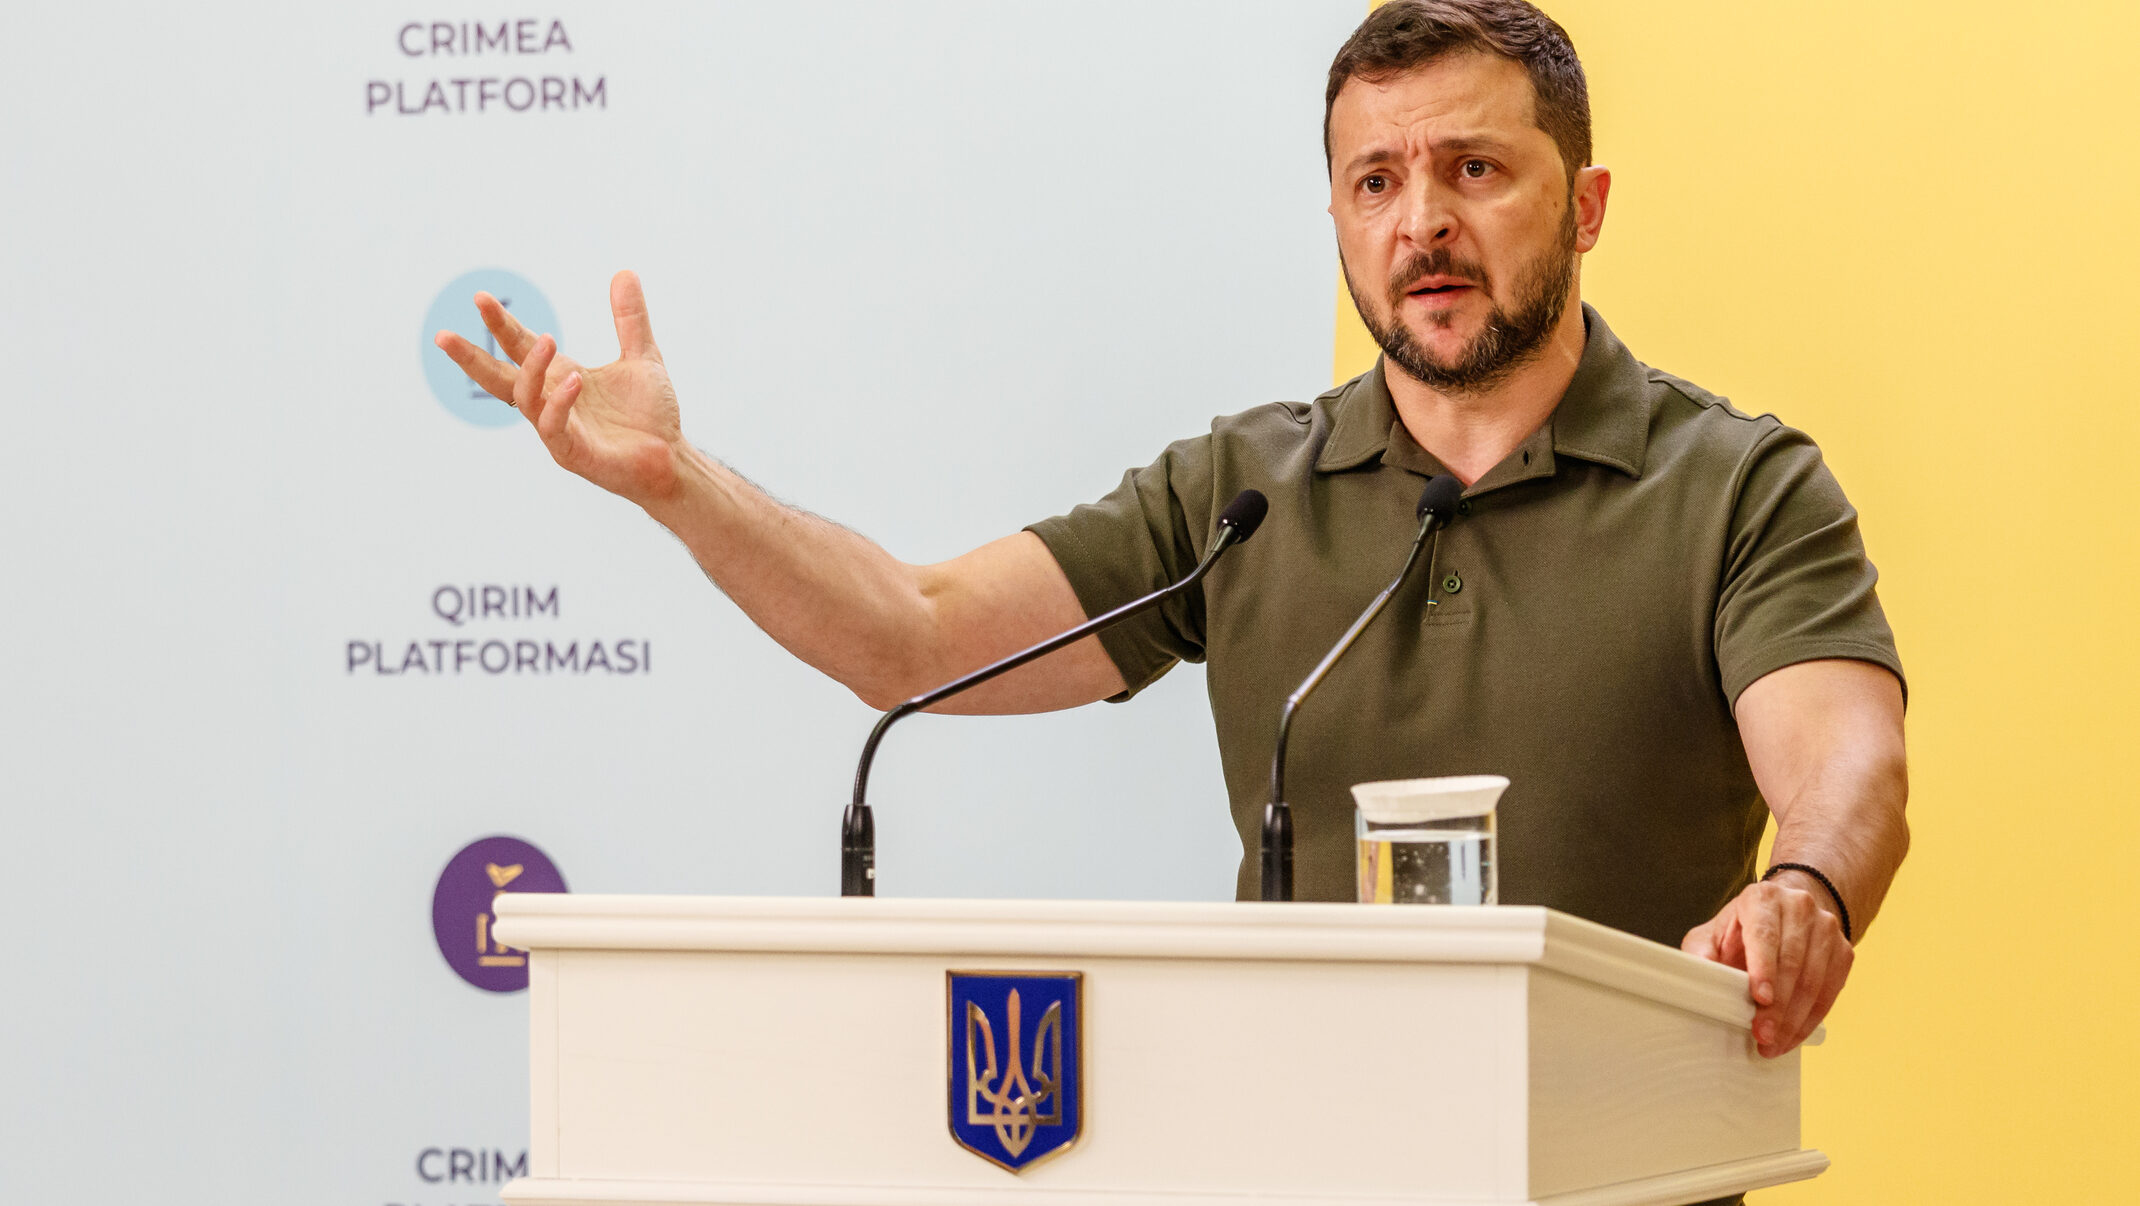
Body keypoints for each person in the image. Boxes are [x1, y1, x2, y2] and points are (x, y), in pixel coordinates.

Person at [436, 0, 1906, 1084]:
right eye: (1376, 182)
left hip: (1625, 1163)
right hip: (1295, 1160)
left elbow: (1848, 772)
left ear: (1583, 207)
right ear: (1338, 219)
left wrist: (1807, 892)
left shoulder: (1738, 485)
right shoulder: (1242, 494)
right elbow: (915, 636)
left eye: (1474, 170)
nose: (1421, 224)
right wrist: (679, 481)